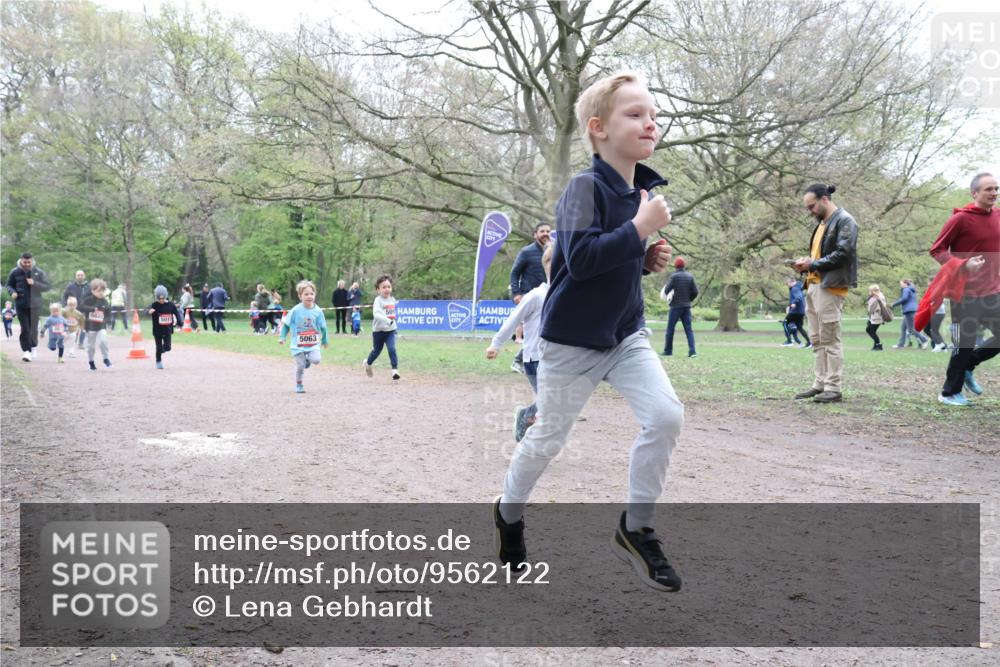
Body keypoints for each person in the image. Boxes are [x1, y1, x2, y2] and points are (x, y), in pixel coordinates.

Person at [494, 72, 682, 592]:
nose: (650, 122)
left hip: (625, 336)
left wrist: (643, 258)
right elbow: (577, 258)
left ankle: (636, 528)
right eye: (635, 114)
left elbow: (612, 258)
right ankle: (508, 515)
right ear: (598, 128)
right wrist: (639, 231)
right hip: (570, 342)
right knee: (548, 440)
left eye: (653, 114)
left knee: (666, 416)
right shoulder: (581, 188)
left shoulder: (641, 190)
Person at [930, 172, 1000, 406]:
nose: (994, 193)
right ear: (975, 193)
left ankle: (970, 364)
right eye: (988, 189)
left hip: (992, 291)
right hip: (964, 294)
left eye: (996, 189)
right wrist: (963, 264)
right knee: (963, 343)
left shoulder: (998, 216)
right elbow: (937, 250)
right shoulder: (960, 219)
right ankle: (949, 393)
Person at [791, 183, 859, 404]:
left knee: (830, 338)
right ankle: (819, 384)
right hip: (813, 286)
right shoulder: (822, 224)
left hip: (830, 287)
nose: (810, 211)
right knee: (817, 339)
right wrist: (807, 264)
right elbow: (822, 256)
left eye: (811, 206)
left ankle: (833, 387)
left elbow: (844, 253)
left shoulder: (845, 220)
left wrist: (812, 264)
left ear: (824, 200)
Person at [487, 244, 553, 442]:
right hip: (535, 358)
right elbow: (513, 319)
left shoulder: (565, 295)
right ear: (548, 265)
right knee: (550, 402)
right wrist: (496, 344)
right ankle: (528, 418)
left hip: (556, 358)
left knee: (554, 401)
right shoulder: (536, 295)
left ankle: (531, 416)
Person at [508, 223, 552, 373]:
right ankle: (519, 360)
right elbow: (514, 273)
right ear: (535, 234)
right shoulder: (526, 252)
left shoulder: (555, 252)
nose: (546, 233)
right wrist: (517, 293)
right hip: (529, 296)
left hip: (548, 296)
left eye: (548, 231)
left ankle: (531, 361)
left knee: (544, 332)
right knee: (535, 333)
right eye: (542, 231)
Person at [280, 280, 329, 393]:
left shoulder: (318, 311)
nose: (309, 296)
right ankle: (299, 385)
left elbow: (323, 327)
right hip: (298, 344)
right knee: (300, 366)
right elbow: (286, 325)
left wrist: (325, 339)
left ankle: (308, 359)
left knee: (316, 360)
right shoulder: (296, 310)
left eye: (311, 294)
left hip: (313, 343)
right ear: (300, 296)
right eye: (306, 294)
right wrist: (282, 337)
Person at [6, 252, 52, 361]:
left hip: (35, 305)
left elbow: (47, 286)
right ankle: (26, 351)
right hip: (21, 304)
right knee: (25, 329)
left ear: (32, 260)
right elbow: (9, 285)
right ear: (21, 260)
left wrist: (35, 283)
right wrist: (12, 292)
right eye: (24, 262)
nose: (27, 264)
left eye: (29, 262)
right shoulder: (15, 272)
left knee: (33, 328)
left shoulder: (38, 272)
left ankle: (34, 346)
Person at [362, 275, 400, 380]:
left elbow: (393, 316)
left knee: (392, 349)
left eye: (389, 286)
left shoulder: (392, 299)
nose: (387, 289)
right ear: (378, 289)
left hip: (390, 331)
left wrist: (394, 326)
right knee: (376, 351)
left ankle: (395, 371)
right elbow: (377, 314)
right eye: (383, 287)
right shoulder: (377, 301)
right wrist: (388, 321)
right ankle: (368, 363)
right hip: (378, 331)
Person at [661, 256, 698, 357]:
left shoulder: (674, 277)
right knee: (689, 330)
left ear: (676, 267)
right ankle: (692, 351)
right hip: (686, 307)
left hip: (675, 307)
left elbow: (666, 291)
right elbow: (695, 292)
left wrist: (670, 296)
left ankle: (668, 351)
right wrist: (689, 299)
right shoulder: (690, 277)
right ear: (684, 266)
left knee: (670, 329)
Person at [78, 278, 112, 371]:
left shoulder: (105, 301)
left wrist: (106, 322)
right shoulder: (88, 300)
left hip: (101, 326)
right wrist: (92, 309)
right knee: (90, 346)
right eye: (98, 291)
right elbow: (80, 307)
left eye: (103, 291)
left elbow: (109, 314)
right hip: (90, 327)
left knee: (103, 341)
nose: (101, 293)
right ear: (93, 291)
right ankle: (91, 362)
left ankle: (106, 358)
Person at [147, 285, 180, 369]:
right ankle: (158, 361)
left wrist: (180, 322)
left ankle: (161, 351)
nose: (161, 300)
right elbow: (145, 310)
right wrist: (149, 311)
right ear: (156, 298)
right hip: (157, 330)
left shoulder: (170, 305)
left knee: (168, 347)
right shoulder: (154, 305)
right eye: (159, 299)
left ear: (166, 297)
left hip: (167, 329)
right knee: (158, 347)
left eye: (162, 298)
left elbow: (177, 313)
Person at [891, 279, 928, 349]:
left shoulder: (906, 289)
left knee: (911, 329)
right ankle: (900, 344)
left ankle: (924, 340)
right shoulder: (911, 289)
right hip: (911, 310)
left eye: (901, 283)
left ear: (905, 284)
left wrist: (894, 304)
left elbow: (904, 298)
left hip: (909, 310)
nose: (900, 285)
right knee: (903, 328)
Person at [922, 275, 948, 352]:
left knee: (934, 330)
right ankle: (942, 345)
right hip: (934, 312)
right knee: (927, 329)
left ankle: (939, 345)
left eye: (928, 282)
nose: (927, 283)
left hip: (938, 312)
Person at [782, 277, 807, 347]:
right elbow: (800, 297)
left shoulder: (794, 288)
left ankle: (789, 341)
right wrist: (790, 305)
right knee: (799, 327)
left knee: (785, 323)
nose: (787, 285)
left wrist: (794, 303)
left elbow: (798, 297)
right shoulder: (799, 288)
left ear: (791, 282)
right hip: (800, 311)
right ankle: (809, 342)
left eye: (787, 283)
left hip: (795, 311)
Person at [865, 284, 890, 351]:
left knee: (870, 330)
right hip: (874, 317)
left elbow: (880, 307)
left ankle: (878, 345)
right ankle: (876, 345)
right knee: (871, 330)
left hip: (877, 317)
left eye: (869, 291)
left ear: (873, 291)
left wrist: (872, 310)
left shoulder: (879, 297)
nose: (869, 292)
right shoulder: (875, 296)